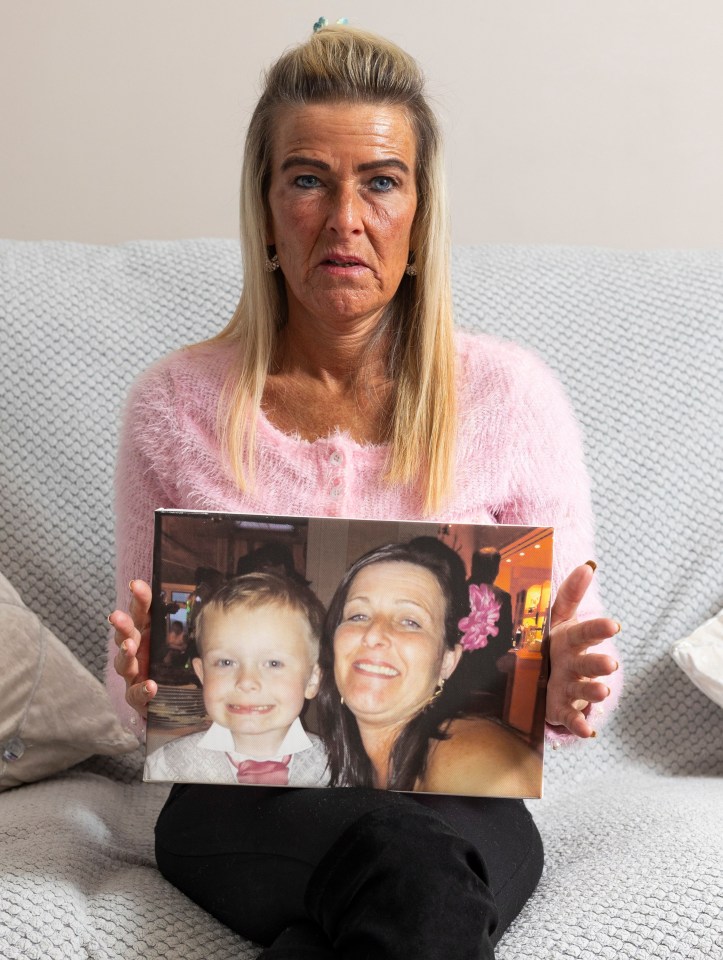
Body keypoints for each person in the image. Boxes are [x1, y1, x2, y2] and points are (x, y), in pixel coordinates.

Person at [108, 24, 622, 959]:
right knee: (416, 878)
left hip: (463, 792)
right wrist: (141, 683)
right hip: (242, 795)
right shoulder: (175, 407)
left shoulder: (512, 398)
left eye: (380, 181)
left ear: (419, 216)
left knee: (404, 873)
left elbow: (568, 666)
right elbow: (142, 682)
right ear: (264, 212)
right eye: (307, 178)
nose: (345, 217)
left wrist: (566, 689)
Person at [317, 540, 542, 797]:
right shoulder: (336, 761)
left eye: (410, 621)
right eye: (358, 615)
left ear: (447, 661)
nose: (373, 634)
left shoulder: (470, 759)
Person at [144, 572, 329, 787]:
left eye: (273, 663)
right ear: (202, 673)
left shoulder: (337, 772)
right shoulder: (165, 767)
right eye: (226, 663)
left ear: (312, 680)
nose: (246, 681)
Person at [445, 547, 516, 718]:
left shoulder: (456, 591)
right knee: (482, 715)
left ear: (473, 566)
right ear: (496, 569)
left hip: (456, 665)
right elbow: (505, 639)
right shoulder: (502, 597)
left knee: (451, 714)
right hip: (487, 669)